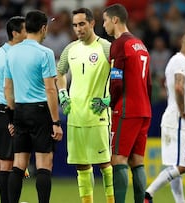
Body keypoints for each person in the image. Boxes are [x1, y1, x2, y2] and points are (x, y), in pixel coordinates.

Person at [4, 10, 63, 203]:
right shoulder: (45, 53)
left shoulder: (11, 52)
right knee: (44, 163)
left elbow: (8, 88)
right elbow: (50, 90)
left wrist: (11, 118)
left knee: (19, 163)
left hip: (20, 110)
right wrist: (55, 121)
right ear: (43, 28)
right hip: (39, 111)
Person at [56, 7, 114, 203]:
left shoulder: (106, 47)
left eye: (82, 24)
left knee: (105, 163)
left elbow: (120, 75)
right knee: (81, 165)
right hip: (75, 115)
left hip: (98, 115)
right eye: (75, 25)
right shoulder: (70, 49)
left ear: (92, 23)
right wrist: (63, 93)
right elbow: (59, 73)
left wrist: (109, 98)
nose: (78, 28)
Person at [144, 32, 185, 203]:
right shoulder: (180, 62)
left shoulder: (176, 61)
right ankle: (148, 193)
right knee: (183, 166)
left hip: (172, 119)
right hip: (178, 119)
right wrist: (184, 111)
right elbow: (179, 86)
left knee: (175, 167)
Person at [102, 4, 152, 203]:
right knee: (137, 162)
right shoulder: (141, 44)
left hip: (126, 109)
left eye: (105, 20)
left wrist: (111, 103)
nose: (104, 25)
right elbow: (148, 82)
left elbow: (116, 80)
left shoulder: (119, 44)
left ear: (115, 20)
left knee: (118, 159)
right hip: (144, 110)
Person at [0, 16, 27, 203]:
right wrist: (13, 118)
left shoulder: (0, 53)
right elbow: (9, 88)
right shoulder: (13, 54)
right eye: (26, 30)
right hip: (5, 111)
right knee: (7, 164)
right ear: (15, 33)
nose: (29, 34)